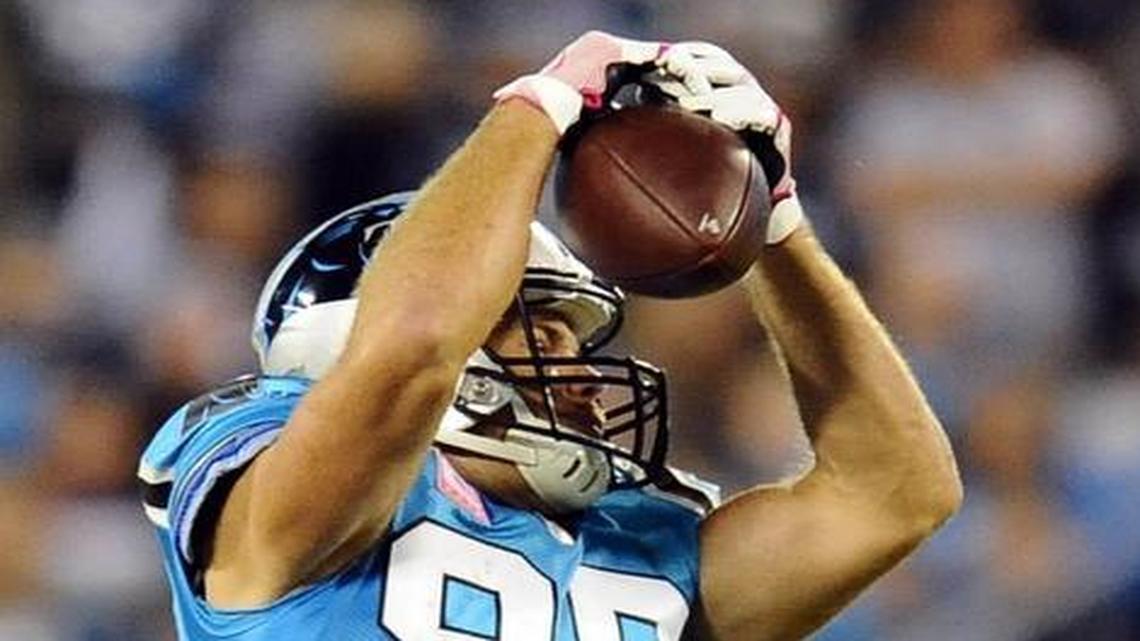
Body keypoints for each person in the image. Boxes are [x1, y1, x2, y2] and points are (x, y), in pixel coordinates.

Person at [138, 31, 962, 640]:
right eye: (539, 335)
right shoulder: (273, 493)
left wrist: (773, 224)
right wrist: (541, 103)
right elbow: (409, 352)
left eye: (574, 341)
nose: (579, 373)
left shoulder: (640, 545)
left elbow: (895, 492)